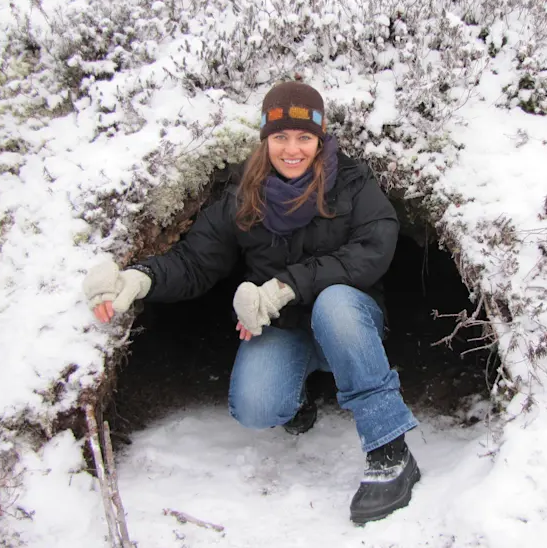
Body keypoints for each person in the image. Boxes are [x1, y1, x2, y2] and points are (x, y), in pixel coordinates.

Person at [82, 81, 421, 524]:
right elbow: (194, 261)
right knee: (256, 406)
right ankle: (300, 393)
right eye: (280, 137)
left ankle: (389, 450)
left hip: (348, 320)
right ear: (266, 139)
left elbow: (373, 249)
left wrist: (282, 287)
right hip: (281, 326)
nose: (292, 149)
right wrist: (139, 279)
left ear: (319, 139)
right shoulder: (245, 193)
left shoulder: (353, 185)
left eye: (304, 137)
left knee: (334, 304)